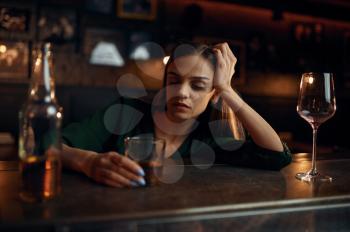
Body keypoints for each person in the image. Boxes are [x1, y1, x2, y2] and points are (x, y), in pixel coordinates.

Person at [61, 42, 292, 188]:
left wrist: (227, 90)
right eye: (173, 81)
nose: (181, 92)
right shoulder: (125, 112)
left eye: (198, 85)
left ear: (213, 93)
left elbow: (276, 156)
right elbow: (48, 144)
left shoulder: (211, 137)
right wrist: (88, 161)